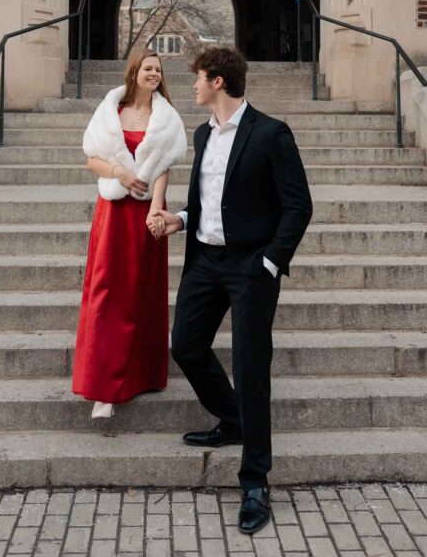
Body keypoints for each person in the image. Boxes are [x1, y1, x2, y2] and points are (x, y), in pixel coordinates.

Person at [155, 46, 312, 535]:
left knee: (250, 366)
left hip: (251, 266)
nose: (193, 86)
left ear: (219, 81)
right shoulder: (203, 133)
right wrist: (178, 220)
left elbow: (298, 206)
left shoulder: (271, 133)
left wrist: (269, 261)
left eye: (199, 78)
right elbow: (206, 201)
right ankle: (232, 418)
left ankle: (255, 482)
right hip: (205, 260)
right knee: (185, 344)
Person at [72, 48, 187, 418]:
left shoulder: (166, 117)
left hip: (145, 214)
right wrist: (119, 173)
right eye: (148, 68)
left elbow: (166, 166)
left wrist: (157, 207)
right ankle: (103, 386)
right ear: (135, 71)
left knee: (140, 292)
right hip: (113, 213)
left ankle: (142, 374)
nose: (154, 74)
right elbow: (91, 159)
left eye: (159, 70)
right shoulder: (111, 113)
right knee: (107, 293)